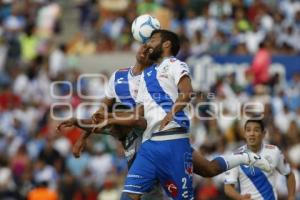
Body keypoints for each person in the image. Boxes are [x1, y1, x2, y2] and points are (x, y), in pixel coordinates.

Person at [58, 32, 271, 200]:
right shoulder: (129, 78)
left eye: (151, 40)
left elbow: (187, 93)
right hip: (145, 145)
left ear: (165, 45)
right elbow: (122, 116)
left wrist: (172, 112)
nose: (146, 45)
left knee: (208, 169)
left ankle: (247, 157)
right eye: (145, 42)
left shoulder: (173, 65)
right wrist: (83, 131)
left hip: (171, 140)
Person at [224, 119, 296, 200]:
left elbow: (289, 174)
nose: (252, 134)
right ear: (244, 134)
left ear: (263, 134)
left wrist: (291, 197)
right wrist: (240, 198)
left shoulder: (274, 151)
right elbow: (228, 187)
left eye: (256, 130)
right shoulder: (235, 156)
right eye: (248, 130)